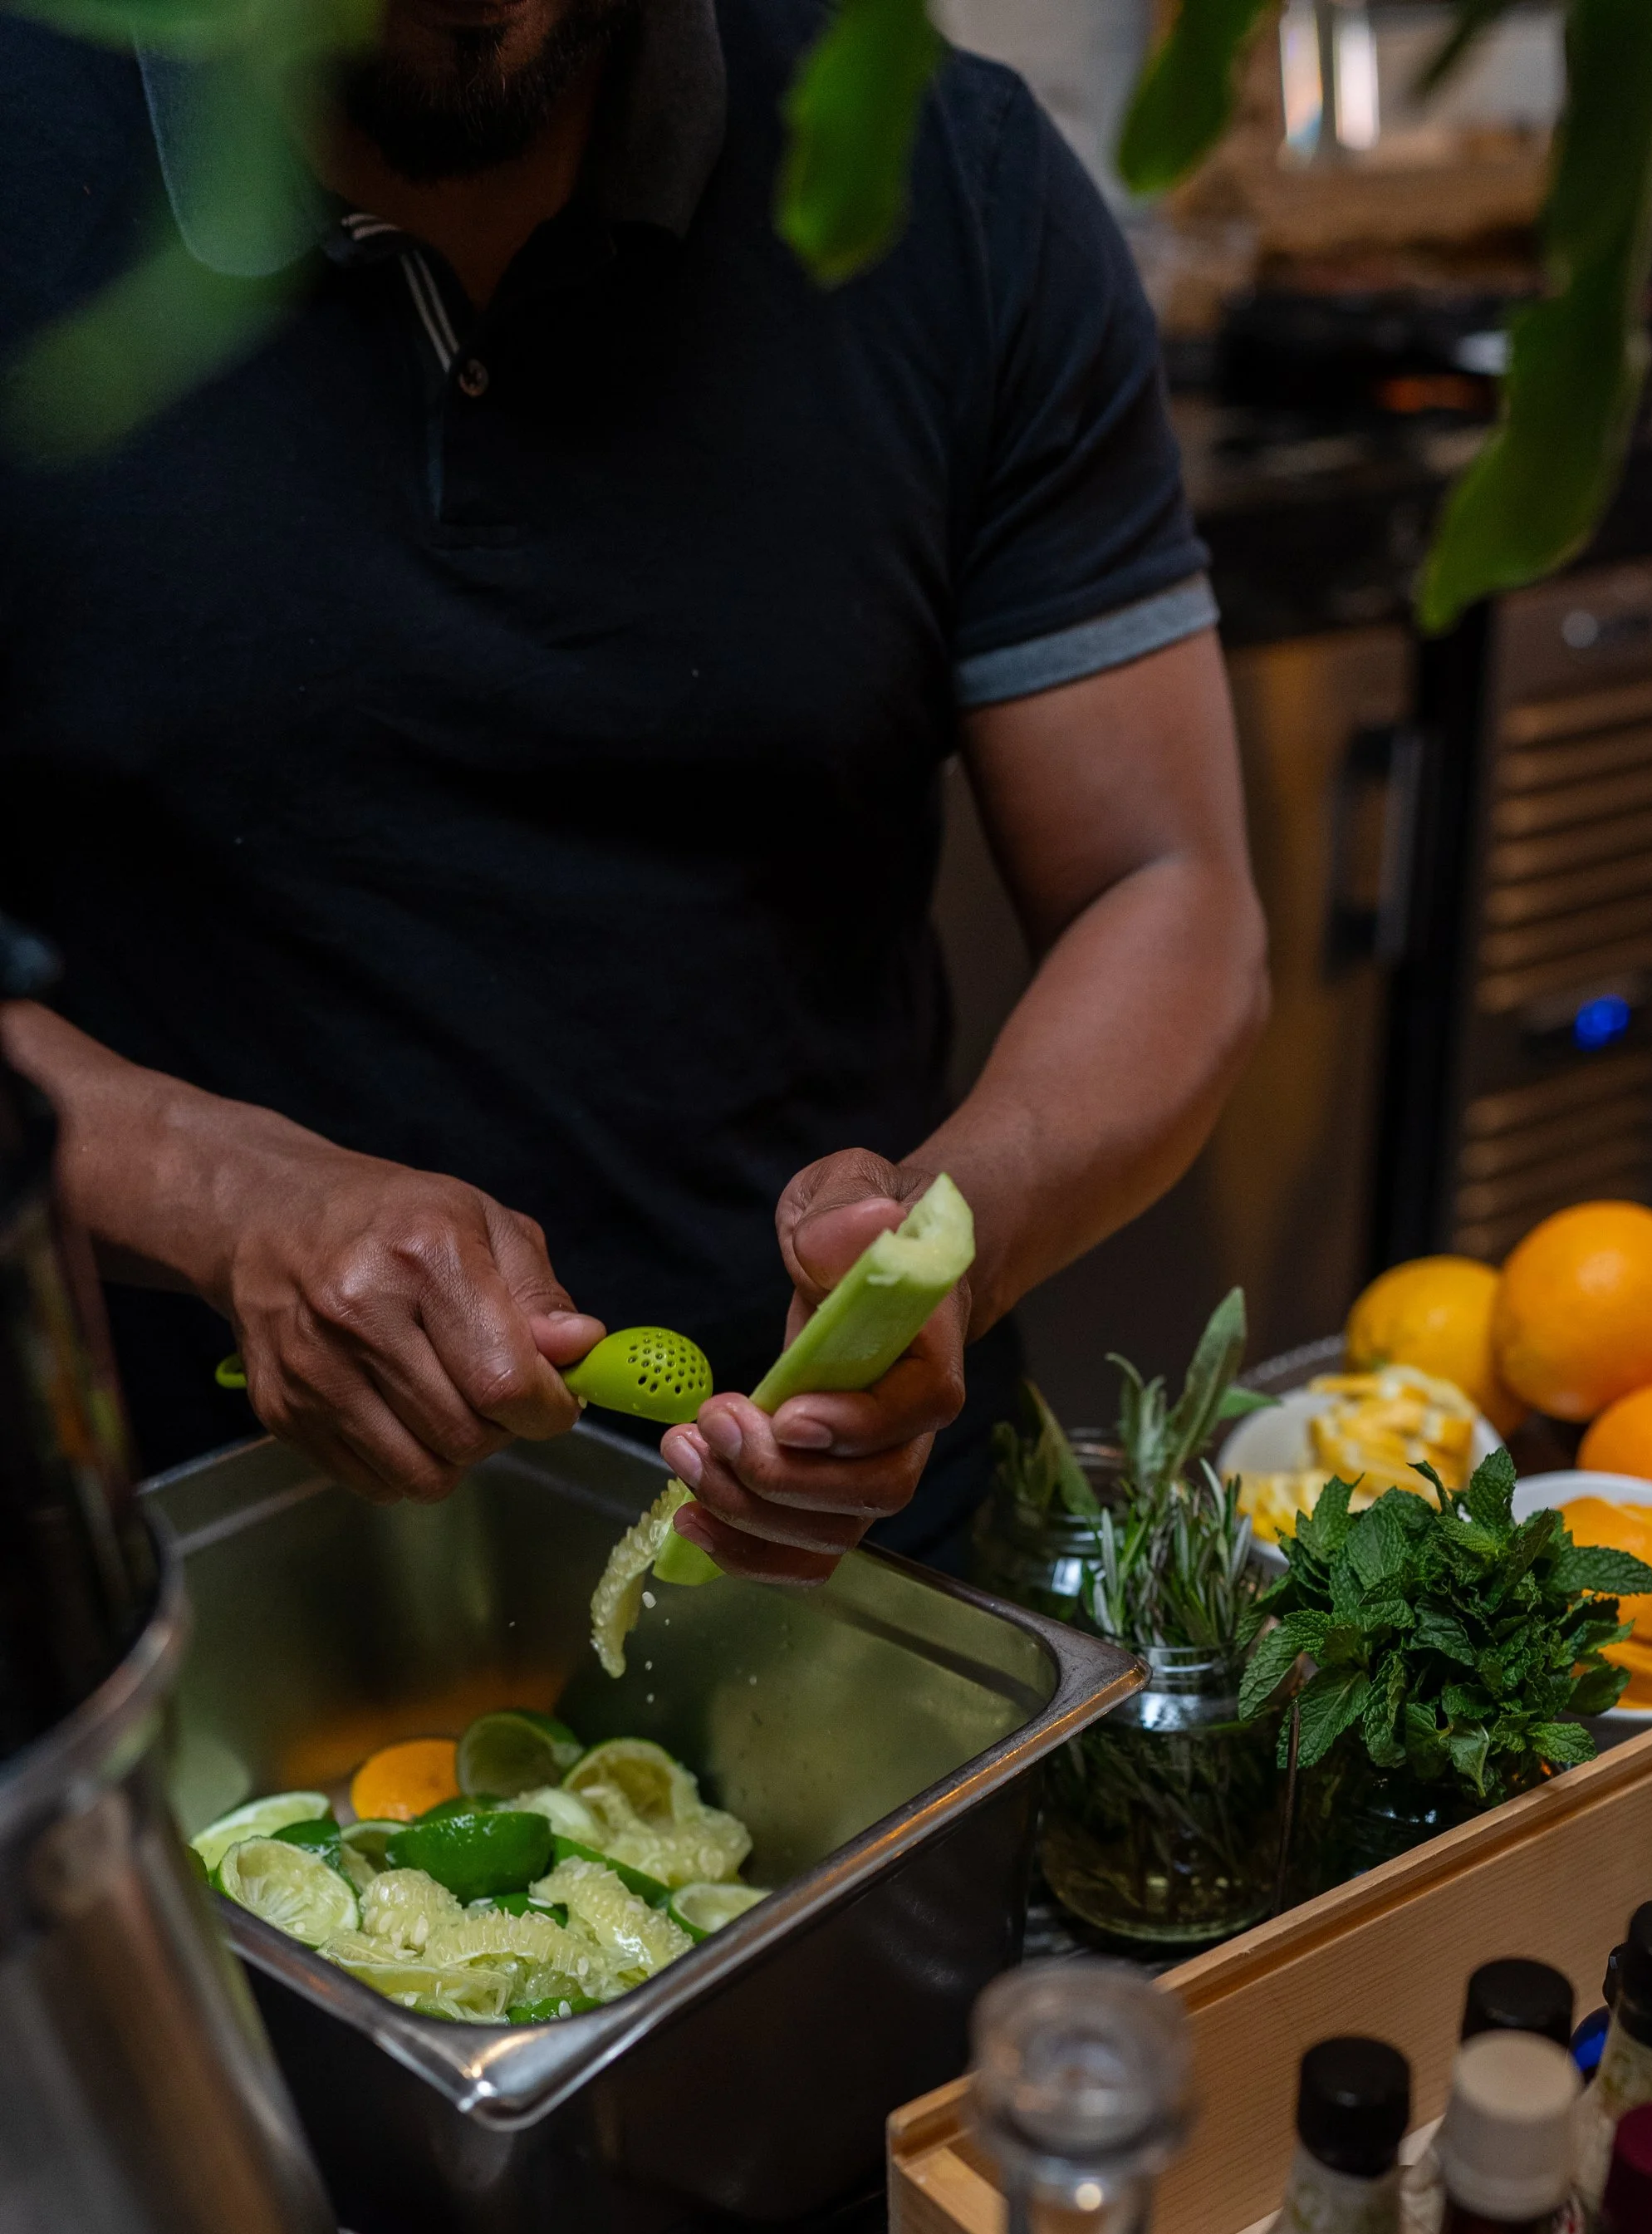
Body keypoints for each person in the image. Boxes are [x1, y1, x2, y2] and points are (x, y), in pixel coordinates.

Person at [0, 0, 1267, 1583]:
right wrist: (222, 1196)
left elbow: (1166, 888)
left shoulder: (950, 177)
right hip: (159, 1582)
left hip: (821, 1576)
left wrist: (950, 1235)